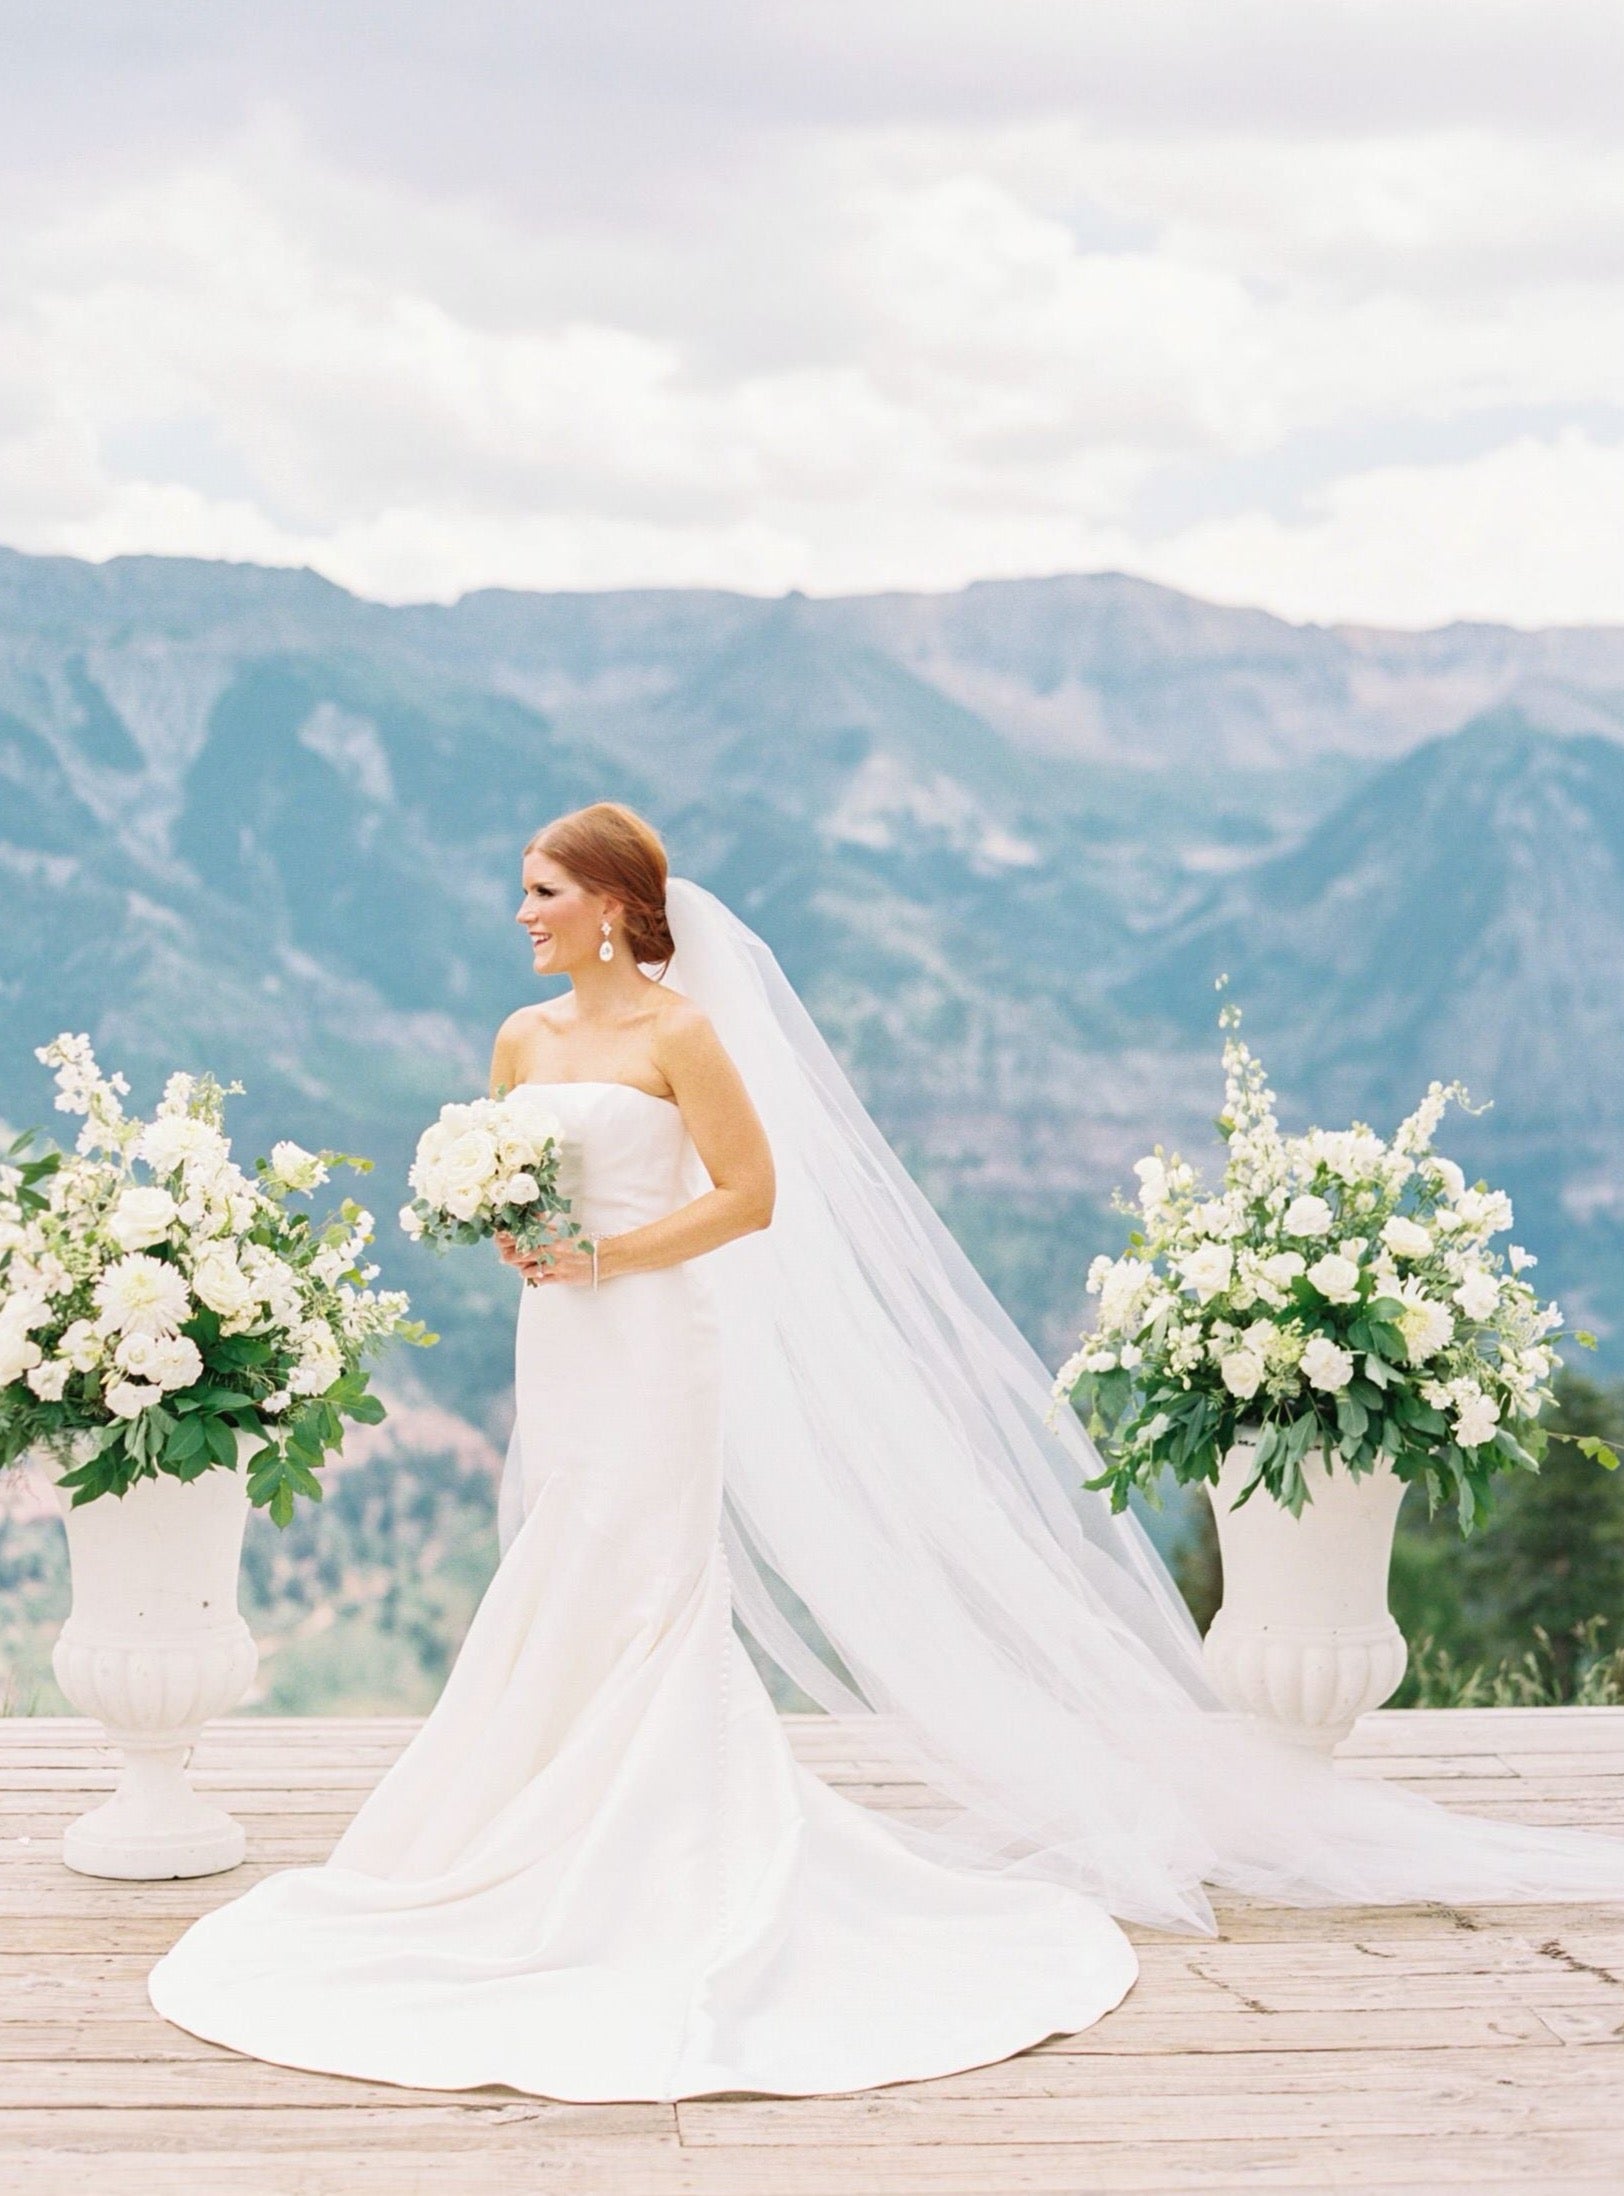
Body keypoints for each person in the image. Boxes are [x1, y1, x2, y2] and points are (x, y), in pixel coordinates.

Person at [147, 801, 1624, 2101]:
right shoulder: (524, 1037)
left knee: (652, 1573)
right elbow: (513, 1168)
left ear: (610, 903)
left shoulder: (682, 1033)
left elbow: (752, 1195)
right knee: (563, 1554)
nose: (518, 917)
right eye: (520, 890)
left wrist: (611, 1257)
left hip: (657, 1335)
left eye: (539, 890)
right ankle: (525, 1823)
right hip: (565, 1341)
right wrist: (516, 1232)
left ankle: (660, 1856)